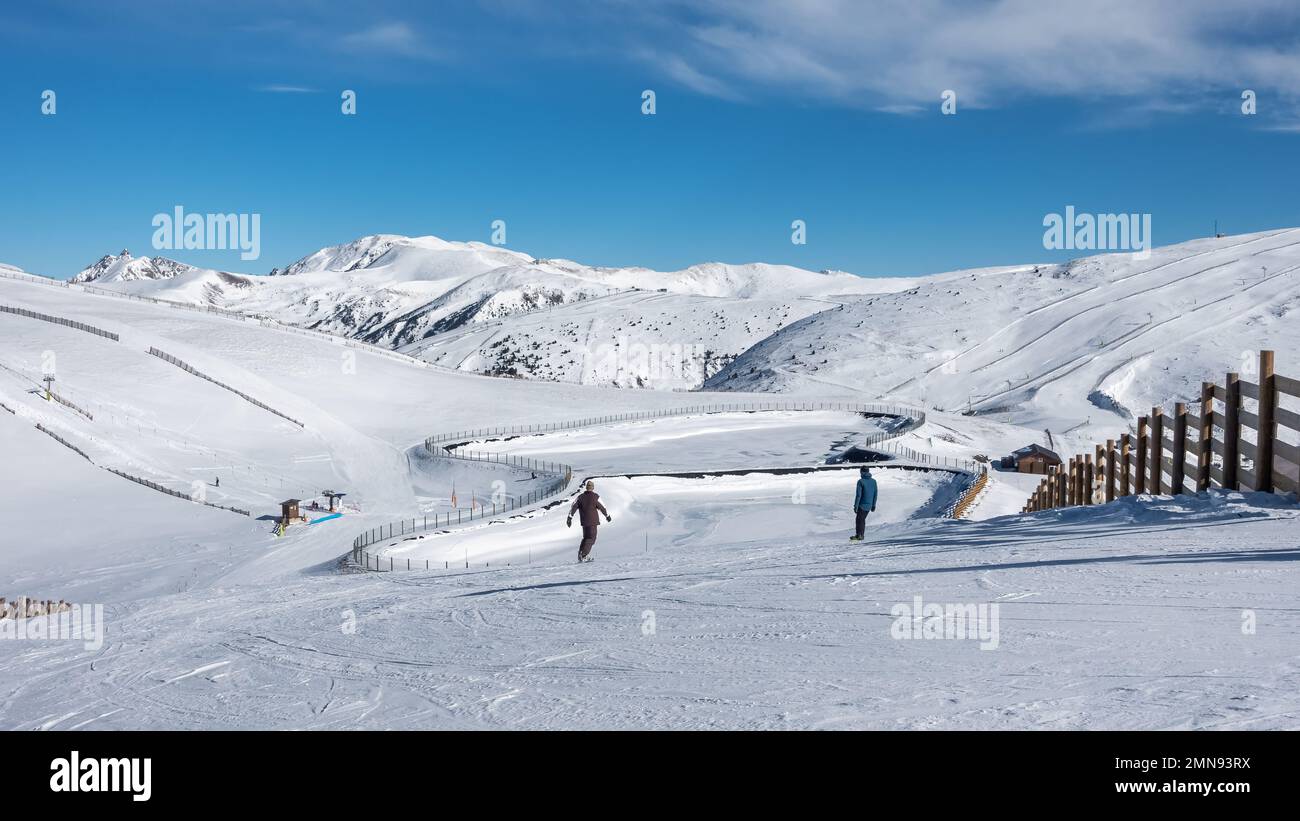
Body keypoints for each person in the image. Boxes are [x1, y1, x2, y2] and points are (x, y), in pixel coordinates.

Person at [567, 480, 611, 562]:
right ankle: (584, 555)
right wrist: (607, 516)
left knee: (586, 538)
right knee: (591, 538)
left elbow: (573, 506)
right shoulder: (595, 497)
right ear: (593, 488)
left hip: (584, 522)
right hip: (593, 522)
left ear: (586, 488)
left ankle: (581, 554)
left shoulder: (580, 497)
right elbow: (602, 507)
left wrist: (570, 517)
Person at [850, 466, 878, 541]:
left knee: (859, 520)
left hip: (862, 505)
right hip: (869, 505)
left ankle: (860, 535)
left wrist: (855, 506)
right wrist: (874, 505)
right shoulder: (873, 481)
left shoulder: (861, 481)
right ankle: (859, 535)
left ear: (862, 472)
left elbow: (858, 495)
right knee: (861, 520)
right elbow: (875, 494)